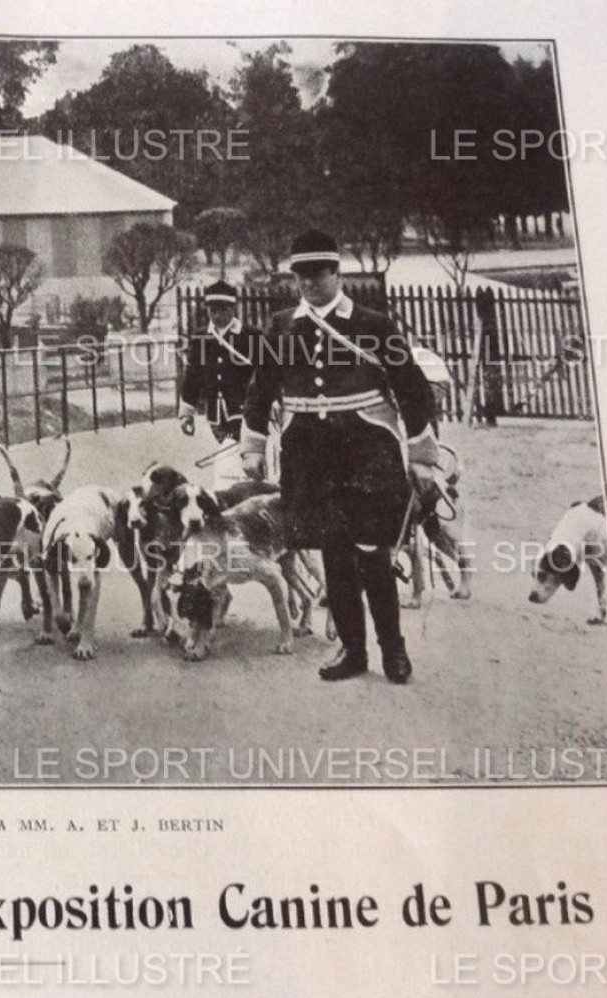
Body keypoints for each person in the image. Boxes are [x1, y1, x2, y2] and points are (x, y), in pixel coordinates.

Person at [240, 230, 440, 684]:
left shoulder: (374, 324)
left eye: (317, 273)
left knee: (372, 551)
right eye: (300, 275)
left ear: (337, 272)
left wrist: (421, 453)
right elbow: (260, 391)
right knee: (333, 553)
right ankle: (353, 651)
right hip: (309, 455)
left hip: (367, 451)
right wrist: (252, 445)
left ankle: (394, 651)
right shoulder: (281, 326)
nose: (307, 283)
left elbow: (412, 389)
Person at [179, 281, 263, 489]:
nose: (216, 316)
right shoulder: (201, 337)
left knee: (240, 453)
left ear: (232, 309)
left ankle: (247, 491)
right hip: (216, 414)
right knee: (228, 453)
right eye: (212, 310)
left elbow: (266, 375)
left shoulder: (250, 336)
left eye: (222, 310)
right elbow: (193, 375)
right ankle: (232, 490)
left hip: (244, 412)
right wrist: (186, 412)